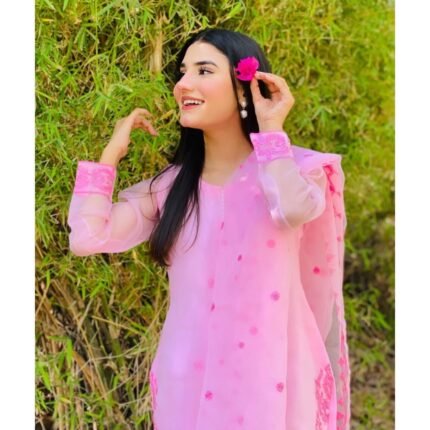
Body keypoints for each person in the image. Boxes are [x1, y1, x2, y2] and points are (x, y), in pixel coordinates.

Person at [67, 28, 350, 430]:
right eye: (183, 72)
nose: (183, 84)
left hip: (272, 384)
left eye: (203, 70)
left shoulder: (296, 171)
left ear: (244, 89)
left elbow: (290, 209)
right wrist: (109, 156)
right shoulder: (170, 188)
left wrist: (272, 131)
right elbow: (86, 237)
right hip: (187, 384)